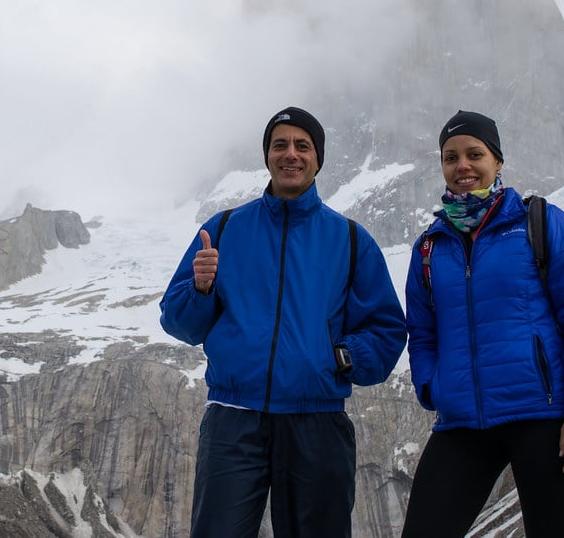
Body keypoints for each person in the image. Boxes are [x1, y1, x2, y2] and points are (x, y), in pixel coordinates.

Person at [160, 106, 406, 538]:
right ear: (268, 156)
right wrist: (200, 290)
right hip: (233, 420)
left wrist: (341, 357)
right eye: (280, 145)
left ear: (317, 158)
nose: (290, 154)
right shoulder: (222, 229)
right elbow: (180, 323)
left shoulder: (350, 240)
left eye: (302, 145)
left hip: (318, 422)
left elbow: (386, 329)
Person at [401, 110, 564, 537]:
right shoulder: (429, 247)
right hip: (462, 424)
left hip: (542, 417)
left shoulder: (540, 222)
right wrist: (432, 387)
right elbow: (422, 334)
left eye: (474, 153)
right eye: (450, 156)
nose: (463, 166)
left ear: (497, 161)